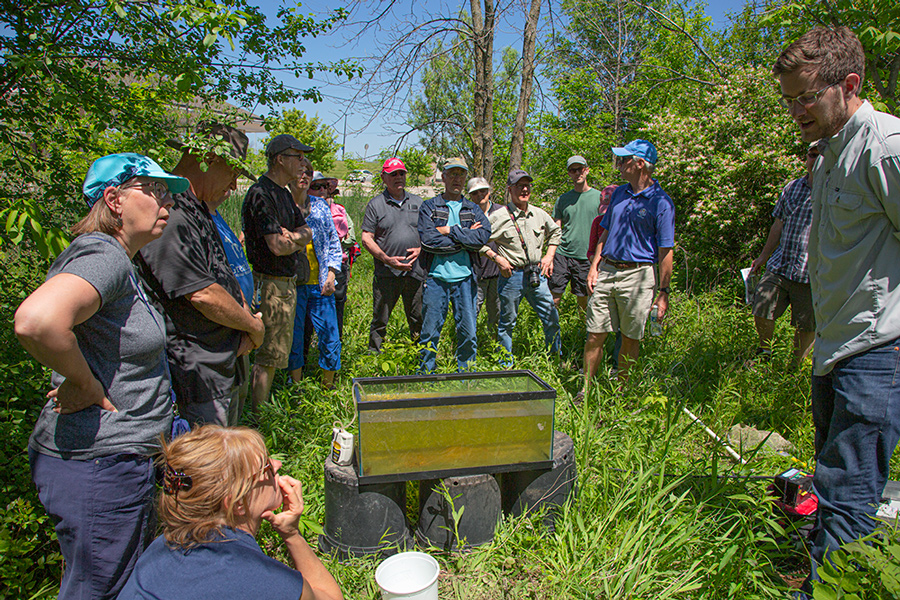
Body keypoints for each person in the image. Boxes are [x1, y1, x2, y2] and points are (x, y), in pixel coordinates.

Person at [15, 153, 189, 600]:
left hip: (116, 459)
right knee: (98, 591)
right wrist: (84, 383)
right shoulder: (102, 255)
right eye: (152, 191)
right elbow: (37, 321)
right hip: (99, 463)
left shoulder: (121, 260)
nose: (166, 201)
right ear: (114, 199)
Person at [773, 27, 900, 596]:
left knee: (849, 502)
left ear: (848, 85)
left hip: (878, 353)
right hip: (835, 348)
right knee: (829, 487)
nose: (795, 110)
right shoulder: (826, 154)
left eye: (805, 97)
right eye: (788, 100)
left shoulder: (886, 146)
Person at [117, 425, 344, 600]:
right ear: (237, 504)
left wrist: (289, 530)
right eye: (265, 467)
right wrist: (293, 536)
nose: (277, 465)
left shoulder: (163, 546)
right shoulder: (259, 579)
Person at [137, 123, 264, 427]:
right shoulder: (171, 214)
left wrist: (243, 325)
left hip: (222, 362)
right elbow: (201, 293)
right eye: (232, 173)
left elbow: (221, 277)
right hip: (197, 375)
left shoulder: (199, 210)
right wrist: (254, 329)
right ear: (207, 159)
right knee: (207, 467)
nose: (234, 186)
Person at [583, 139, 674, 395]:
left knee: (630, 338)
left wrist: (664, 292)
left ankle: (622, 393)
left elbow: (666, 251)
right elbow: (606, 231)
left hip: (639, 274)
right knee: (594, 333)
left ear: (640, 164)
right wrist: (594, 266)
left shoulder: (661, 203)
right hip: (608, 270)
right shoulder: (620, 193)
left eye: (624, 160)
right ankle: (586, 390)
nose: (619, 165)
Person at [242, 134, 313, 412]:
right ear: (280, 159)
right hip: (269, 285)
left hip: (286, 284)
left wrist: (293, 237)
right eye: (298, 156)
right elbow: (276, 246)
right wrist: (294, 240)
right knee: (267, 356)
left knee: (274, 355)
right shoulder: (261, 194)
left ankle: (259, 414)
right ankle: (258, 419)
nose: (303, 163)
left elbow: (308, 232)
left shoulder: (284, 193)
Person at [747, 143, 819, 369]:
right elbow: (777, 225)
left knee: (806, 324)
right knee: (761, 303)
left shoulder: (833, 190)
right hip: (781, 265)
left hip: (812, 272)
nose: (814, 160)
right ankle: (764, 352)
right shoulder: (793, 188)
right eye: (811, 155)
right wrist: (763, 257)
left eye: (820, 156)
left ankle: (794, 369)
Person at [481, 168, 561, 365]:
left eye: (527, 185)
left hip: (537, 276)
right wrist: (497, 258)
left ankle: (555, 359)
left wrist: (549, 256)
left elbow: (556, 233)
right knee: (507, 322)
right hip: (512, 277)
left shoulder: (539, 214)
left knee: (552, 317)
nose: (524, 189)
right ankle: (505, 364)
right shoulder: (499, 216)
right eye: (519, 186)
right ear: (510, 189)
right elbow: (477, 240)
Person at [417, 158, 491, 372]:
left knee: (468, 333)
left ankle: (466, 375)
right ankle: (425, 374)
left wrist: (450, 230)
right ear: (444, 177)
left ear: (465, 177)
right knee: (429, 333)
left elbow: (481, 238)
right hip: (435, 278)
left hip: (466, 279)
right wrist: (465, 237)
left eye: (461, 174)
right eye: (452, 174)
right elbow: (428, 240)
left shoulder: (473, 208)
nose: (457, 178)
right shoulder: (429, 206)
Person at [287, 161, 342, 389]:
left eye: (308, 173)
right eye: (299, 172)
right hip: (292, 284)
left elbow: (332, 241)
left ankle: (328, 388)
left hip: (320, 284)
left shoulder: (320, 205)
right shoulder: (282, 204)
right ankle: (296, 388)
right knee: (295, 338)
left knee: (330, 336)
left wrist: (331, 273)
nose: (304, 177)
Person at [361, 157, 425, 353]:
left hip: (415, 272)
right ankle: (374, 358)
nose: (398, 177)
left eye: (401, 173)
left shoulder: (418, 202)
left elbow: (431, 233)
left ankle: (420, 358)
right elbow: (366, 238)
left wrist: (422, 248)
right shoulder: (376, 205)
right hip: (386, 273)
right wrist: (386, 259)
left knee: (418, 318)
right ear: (383, 177)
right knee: (380, 318)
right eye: (393, 174)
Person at [550, 155, 602, 313]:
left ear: (586, 170)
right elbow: (556, 228)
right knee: (554, 296)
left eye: (580, 169)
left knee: (584, 298)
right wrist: (550, 254)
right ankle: (551, 333)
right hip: (562, 253)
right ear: (569, 174)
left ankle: (581, 333)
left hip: (586, 256)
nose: (577, 173)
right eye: (573, 170)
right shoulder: (563, 199)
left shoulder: (600, 198)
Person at [469, 176, 503, 339]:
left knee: (496, 313)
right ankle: (467, 350)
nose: (480, 195)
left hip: (498, 273)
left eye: (483, 191)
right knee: (471, 313)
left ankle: (493, 346)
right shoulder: (466, 214)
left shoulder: (502, 211)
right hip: (475, 273)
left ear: (489, 192)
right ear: (470, 196)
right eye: (475, 193)